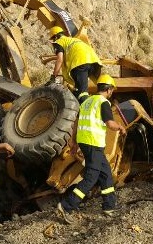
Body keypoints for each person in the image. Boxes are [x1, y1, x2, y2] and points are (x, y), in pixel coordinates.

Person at [56, 74, 126, 224]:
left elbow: (76, 123)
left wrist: (74, 143)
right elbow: (109, 123)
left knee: (105, 174)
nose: (112, 92)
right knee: (91, 177)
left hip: (85, 143)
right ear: (109, 90)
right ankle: (67, 205)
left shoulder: (87, 102)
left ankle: (109, 206)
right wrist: (120, 127)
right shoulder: (103, 102)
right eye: (112, 89)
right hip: (94, 144)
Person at [46, 26, 102, 103]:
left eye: (53, 38)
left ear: (56, 36)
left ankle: (85, 112)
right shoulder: (74, 40)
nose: (53, 41)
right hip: (94, 62)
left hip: (80, 63)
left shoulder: (59, 42)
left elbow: (60, 59)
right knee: (89, 89)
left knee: (82, 93)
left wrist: (53, 76)